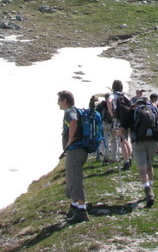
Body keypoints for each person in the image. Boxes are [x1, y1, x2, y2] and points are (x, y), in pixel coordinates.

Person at [120, 96, 158, 207]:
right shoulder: (152, 110)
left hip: (138, 142)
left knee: (141, 168)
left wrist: (121, 136)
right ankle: (151, 186)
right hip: (152, 141)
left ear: (135, 104)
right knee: (149, 165)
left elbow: (122, 130)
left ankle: (147, 189)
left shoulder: (132, 112)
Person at [58, 90, 89, 223]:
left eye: (59, 100)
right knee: (72, 178)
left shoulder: (69, 112)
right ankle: (75, 206)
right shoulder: (77, 110)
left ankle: (82, 211)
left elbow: (73, 121)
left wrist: (70, 140)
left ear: (65, 100)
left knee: (75, 179)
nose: (57, 103)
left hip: (75, 150)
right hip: (80, 150)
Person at [107, 79, 133, 170]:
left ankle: (126, 161)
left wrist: (111, 113)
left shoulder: (113, 95)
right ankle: (129, 157)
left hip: (118, 119)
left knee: (121, 140)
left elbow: (109, 101)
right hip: (127, 120)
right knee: (126, 139)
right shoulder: (124, 95)